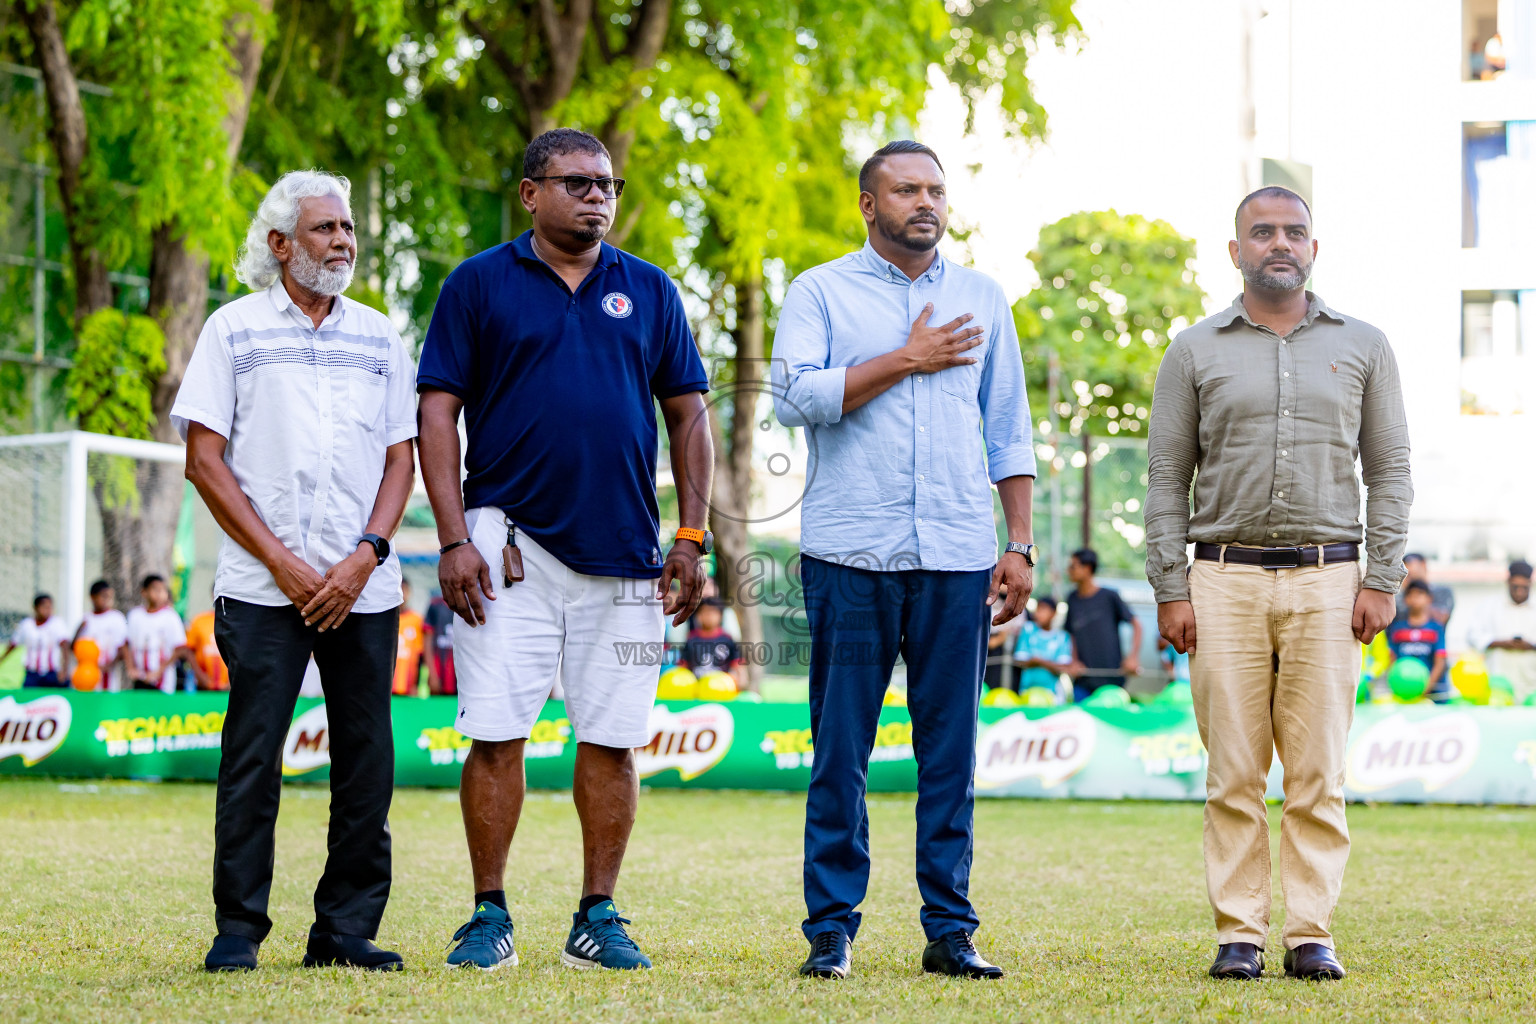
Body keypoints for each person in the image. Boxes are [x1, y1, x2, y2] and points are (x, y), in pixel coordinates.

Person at [417, 128, 712, 972]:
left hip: (627, 553)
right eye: (578, 182)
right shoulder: (478, 282)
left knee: (614, 738)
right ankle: (488, 915)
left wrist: (690, 536)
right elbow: (437, 413)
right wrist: (450, 538)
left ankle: (597, 915)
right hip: (503, 547)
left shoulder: (650, 290)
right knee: (497, 733)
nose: (597, 197)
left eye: (608, 184)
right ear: (529, 193)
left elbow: (690, 414)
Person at [771, 140, 1035, 981]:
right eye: (905, 190)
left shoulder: (983, 297)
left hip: (958, 553)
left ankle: (950, 930)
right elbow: (793, 396)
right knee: (839, 749)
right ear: (867, 204)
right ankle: (831, 930)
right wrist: (904, 360)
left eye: (934, 190)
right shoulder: (820, 291)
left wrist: (1019, 544)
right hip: (850, 553)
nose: (925, 202)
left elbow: (1010, 429)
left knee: (950, 752)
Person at [1147, 186, 1411, 982]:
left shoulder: (1364, 346)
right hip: (1220, 580)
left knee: (1318, 771)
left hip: (1332, 580)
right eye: (1262, 233)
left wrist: (1383, 576)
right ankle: (1237, 933)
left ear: (1315, 248)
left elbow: (1390, 471)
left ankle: (1309, 932)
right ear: (1235, 251)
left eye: (1295, 232)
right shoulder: (1193, 351)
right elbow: (1167, 478)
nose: (1280, 244)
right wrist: (1171, 585)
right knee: (1232, 769)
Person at [174, 169, 416, 973]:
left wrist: (364, 557)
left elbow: (399, 460)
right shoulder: (232, 330)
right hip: (259, 586)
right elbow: (204, 460)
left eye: (347, 229)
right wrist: (282, 563)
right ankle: (238, 929)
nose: (343, 242)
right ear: (279, 244)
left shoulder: (381, 336)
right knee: (252, 757)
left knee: (366, 760)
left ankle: (344, 931)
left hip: (363, 588)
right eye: (325, 230)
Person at [1062, 549, 1141, 702]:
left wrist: (1133, 657)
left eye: (1073, 566)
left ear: (1087, 568)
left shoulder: (1109, 596)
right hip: (1083, 681)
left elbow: (1137, 624)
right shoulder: (1072, 599)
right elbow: (1070, 633)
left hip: (1112, 680)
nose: (1069, 571)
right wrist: (1074, 660)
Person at [1467, 560, 1536, 704]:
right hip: (1496, 688)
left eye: (1524, 587)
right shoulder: (1489, 606)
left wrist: (1530, 645)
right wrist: (1501, 643)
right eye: (1515, 587)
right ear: (1508, 581)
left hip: (1531, 688)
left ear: (1531, 583)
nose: (1519, 591)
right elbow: (1473, 636)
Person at [124, 576, 205, 693]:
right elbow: (126, 643)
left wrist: (159, 671)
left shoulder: (171, 617)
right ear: (144, 592)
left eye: (163, 590)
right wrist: (131, 668)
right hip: (139, 679)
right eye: (155, 589)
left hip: (163, 682)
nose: (160, 594)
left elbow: (180, 648)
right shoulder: (135, 615)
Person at [1383, 580, 1448, 702]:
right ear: (1405, 599)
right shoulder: (1397, 629)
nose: (1415, 599)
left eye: (1419, 594)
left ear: (1429, 599)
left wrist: (1425, 688)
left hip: (1432, 696)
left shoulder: (1436, 629)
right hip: (1404, 693)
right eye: (1411, 595)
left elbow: (1440, 662)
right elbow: (1392, 660)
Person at [1012, 597, 1072, 701]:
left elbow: (1062, 667)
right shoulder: (1028, 630)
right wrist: (1050, 664)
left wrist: (1038, 661)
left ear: (1053, 613)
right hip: (1027, 692)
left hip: (1053, 695)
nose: (1039, 614)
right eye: (1038, 609)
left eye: (1043, 609)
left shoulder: (1062, 637)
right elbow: (1020, 661)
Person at [4, 593, 71, 687]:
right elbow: (13, 644)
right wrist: (2, 659)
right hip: (32, 674)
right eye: (44, 607)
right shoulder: (26, 625)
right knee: (28, 699)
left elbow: (65, 647)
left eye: (50, 607)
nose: (48, 610)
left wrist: (64, 670)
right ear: (36, 608)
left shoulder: (57, 623)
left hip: (51, 674)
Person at [681, 597, 745, 692]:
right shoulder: (691, 639)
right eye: (705, 612)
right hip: (696, 691)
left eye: (713, 612)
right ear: (698, 616)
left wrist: (740, 683)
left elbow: (738, 666)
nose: (709, 616)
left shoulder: (727, 639)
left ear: (721, 616)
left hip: (722, 690)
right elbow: (683, 667)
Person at [185, 592, 229, 692]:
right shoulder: (199, 621)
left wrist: (232, 681)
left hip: (231, 687)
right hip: (203, 686)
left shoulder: (237, 622)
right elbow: (189, 652)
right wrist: (201, 677)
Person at [1394, 553, 1454, 625]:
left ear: (1423, 565)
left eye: (1410, 574)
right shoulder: (1400, 595)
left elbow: (1442, 618)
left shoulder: (1442, 591)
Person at [393, 580, 426, 697]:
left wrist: (416, 685)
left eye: (404, 590)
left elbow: (420, 655)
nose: (401, 594)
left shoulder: (417, 620)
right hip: (387, 686)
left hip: (408, 686)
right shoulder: (384, 620)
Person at [422, 589, 455, 696]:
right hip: (439, 674)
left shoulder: (468, 605)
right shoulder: (435, 606)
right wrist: (432, 675)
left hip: (460, 676)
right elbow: (427, 642)